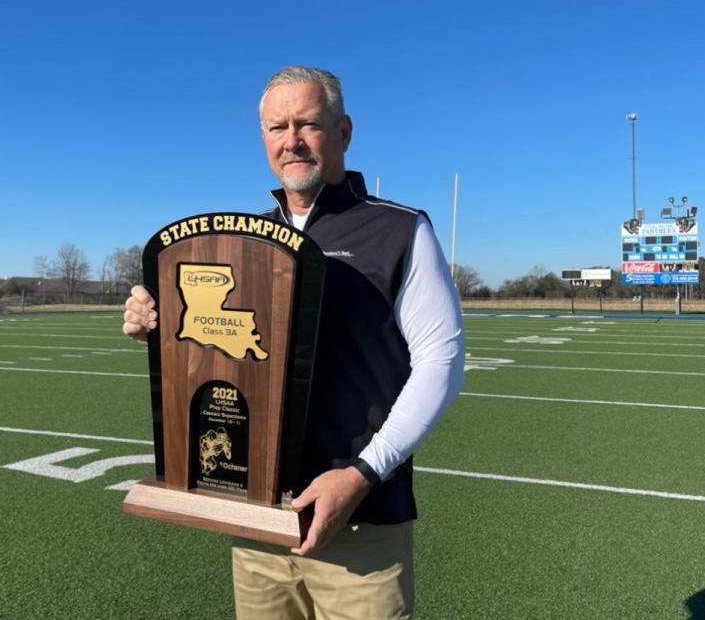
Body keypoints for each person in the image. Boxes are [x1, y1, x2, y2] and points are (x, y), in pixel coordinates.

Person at [122, 66, 465, 619]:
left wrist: (362, 473)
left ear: (344, 131)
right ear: (263, 139)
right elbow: (226, 350)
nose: (292, 141)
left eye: (308, 123)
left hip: (358, 520)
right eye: (277, 127)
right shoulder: (243, 240)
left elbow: (442, 363)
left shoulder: (399, 230)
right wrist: (159, 330)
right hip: (257, 517)